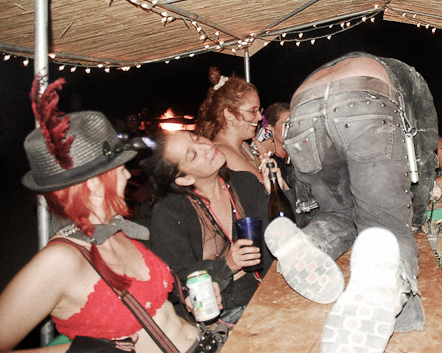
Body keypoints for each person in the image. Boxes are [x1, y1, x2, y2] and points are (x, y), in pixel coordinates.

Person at [0, 78, 204, 353]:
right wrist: (79, 351)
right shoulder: (60, 260)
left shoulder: (119, 231)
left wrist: (190, 298)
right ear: (94, 185)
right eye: (117, 168)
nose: (127, 173)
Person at [263, 52, 439, 352]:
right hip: (363, 103)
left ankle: (309, 242)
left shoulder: (329, 67)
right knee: (386, 227)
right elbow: (424, 147)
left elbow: (308, 184)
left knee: (338, 212)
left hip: (303, 108)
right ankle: (383, 292)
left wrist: (305, 206)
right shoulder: (410, 77)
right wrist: (413, 220)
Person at [143, 130, 275, 324]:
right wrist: (227, 264)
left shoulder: (245, 182)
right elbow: (175, 284)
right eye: (193, 154)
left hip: (266, 293)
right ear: (185, 179)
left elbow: (281, 236)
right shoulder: (170, 214)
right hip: (221, 316)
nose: (206, 146)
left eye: (196, 138)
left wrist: (274, 194)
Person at [197, 76, 276, 185]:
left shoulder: (244, 146)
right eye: (252, 111)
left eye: (259, 110)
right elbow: (267, 188)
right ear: (228, 114)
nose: (259, 117)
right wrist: (265, 157)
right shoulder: (223, 153)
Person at [263, 102, 318, 226]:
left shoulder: (301, 155)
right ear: (271, 129)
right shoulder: (269, 161)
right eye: (285, 124)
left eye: (293, 123)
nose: (291, 128)